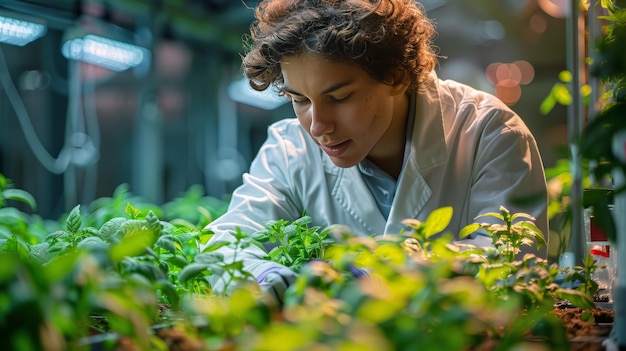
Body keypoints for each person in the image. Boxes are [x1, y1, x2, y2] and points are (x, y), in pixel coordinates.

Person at [202, 0, 549, 304]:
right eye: (300, 100)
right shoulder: (289, 149)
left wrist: (370, 278)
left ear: (396, 76)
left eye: (339, 98)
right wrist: (261, 275)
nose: (317, 125)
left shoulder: (488, 132)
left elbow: (513, 261)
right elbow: (226, 244)